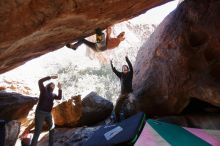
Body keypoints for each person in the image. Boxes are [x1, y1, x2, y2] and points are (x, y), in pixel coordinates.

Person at [30, 75, 62, 146]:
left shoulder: (53, 94)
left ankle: (51, 144)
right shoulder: (43, 90)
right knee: (38, 131)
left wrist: (60, 88)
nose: (53, 85)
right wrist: (50, 77)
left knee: (52, 128)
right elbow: (40, 81)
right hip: (40, 112)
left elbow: (59, 97)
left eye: (54, 85)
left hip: (48, 114)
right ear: (48, 85)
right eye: (51, 84)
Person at [110, 56, 134, 122]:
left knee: (132, 104)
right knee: (117, 108)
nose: (124, 68)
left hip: (129, 93)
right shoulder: (121, 75)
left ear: (127, 69)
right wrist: (111, 62)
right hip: (122, 94)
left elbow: (131, 66)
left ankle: (132, 118)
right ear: (122, 70)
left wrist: (127, 59)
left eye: (125, 67)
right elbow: (114, 70)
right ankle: (118, 120)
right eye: (123, 68)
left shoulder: (130, 73)